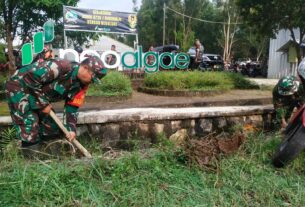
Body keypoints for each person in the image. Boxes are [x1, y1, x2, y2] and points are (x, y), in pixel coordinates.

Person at [5, 56, 107, 154]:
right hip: (19, 86)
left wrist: (71, 130)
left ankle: (49, 156)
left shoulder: (82, 85)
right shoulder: (59, 67)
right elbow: (30, 78)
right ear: (85, 68)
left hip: (38, 93)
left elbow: (72, 107)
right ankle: (31, 163)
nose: (91, 82)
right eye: (92, 78)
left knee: (51, 125)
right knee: (30, 123)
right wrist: (43, 104)